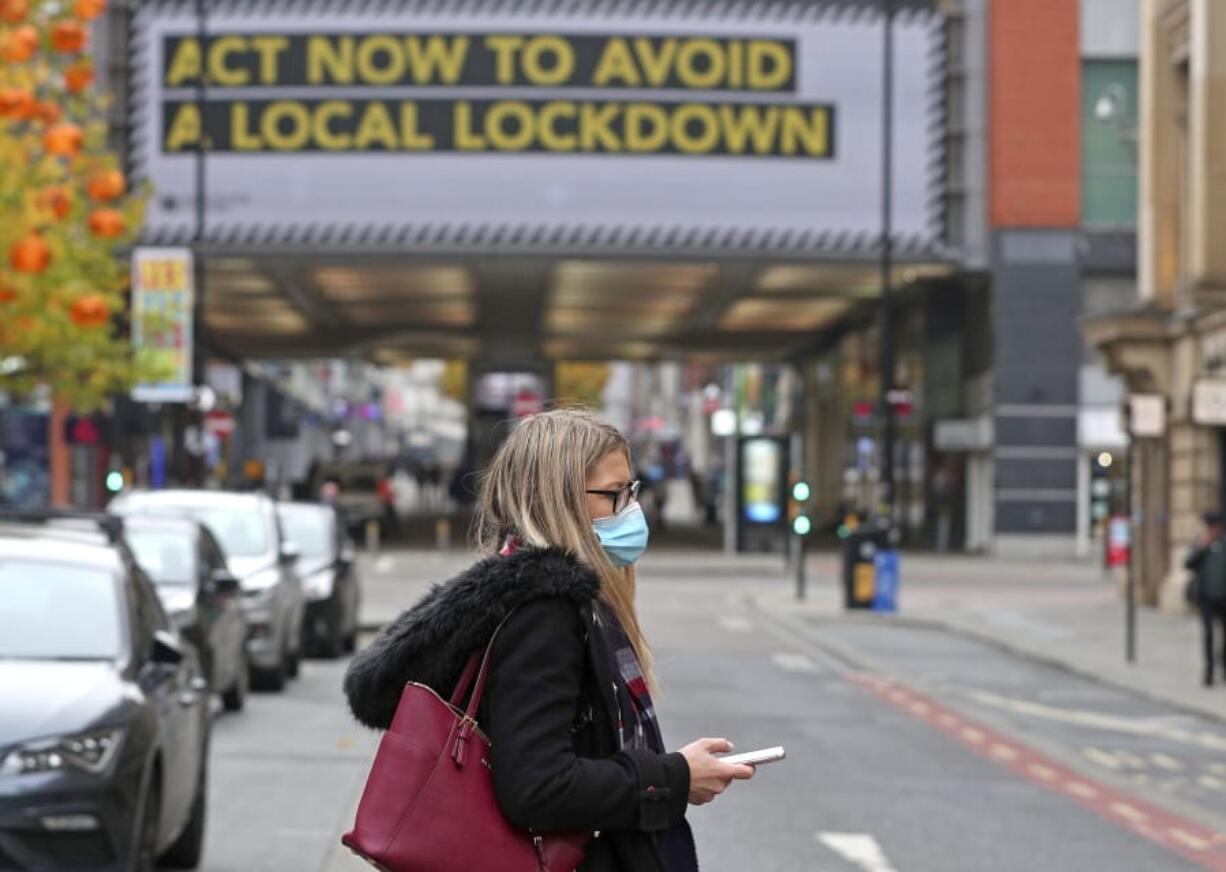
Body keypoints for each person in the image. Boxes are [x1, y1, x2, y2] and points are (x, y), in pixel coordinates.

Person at [344, 409, 754, 871]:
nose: (631, 510)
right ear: (558, 500)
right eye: (614, 494)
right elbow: (537, 787)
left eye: (631, 491)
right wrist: (674, 777)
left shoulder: (543, 595)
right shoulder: (546, 611)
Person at [1185, 511, 1226, 686]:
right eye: (1212, 528)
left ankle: (1223, 667)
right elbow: (1188, 564)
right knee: (1208, 635)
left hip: (1224, 598)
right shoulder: (1202, 544)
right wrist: (1202, 547)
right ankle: (1209, 670)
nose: (1214, 530)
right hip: (1206, 597)